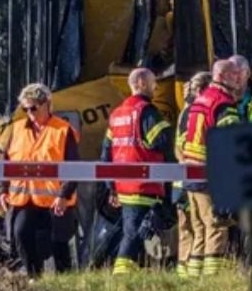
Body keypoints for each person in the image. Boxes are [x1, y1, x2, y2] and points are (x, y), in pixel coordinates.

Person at [1, 83, 80, 278]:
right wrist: (3, 190)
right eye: (25, 109)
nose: (29, 112)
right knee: (21, 234)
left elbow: (73, 168)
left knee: (58, 244)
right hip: (24, 199)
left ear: (47, 105)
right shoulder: (16, 129)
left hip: (55, 200)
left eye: (33, 108)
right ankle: (33, 277)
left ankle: (65, 282)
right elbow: (6, 163)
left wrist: (63, 195)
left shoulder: (63, 130)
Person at [101, 68, 174, 275]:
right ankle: (122, 274)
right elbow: (163, 141)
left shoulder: (117, 114)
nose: (156, 87)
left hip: (123, 186)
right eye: (153, 82)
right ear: (141, 83)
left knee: (136, 231)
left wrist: (111, 187)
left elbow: (106, 154)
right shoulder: (146, 112)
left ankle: (137, 271)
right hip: (144, 185)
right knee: (134, 234)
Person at [180, 59, 242, 275]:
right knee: (217, 226)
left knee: (199, 229)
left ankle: (193, 276)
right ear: (222, 76)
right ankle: (213, 277)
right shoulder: (223, 103)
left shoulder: (201, 100)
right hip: (210, 174)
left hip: (191, 173)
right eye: (234, 74)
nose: (238, 79)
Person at [174, 71, 213, 277]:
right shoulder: (199, 111)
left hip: (183, 180)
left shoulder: (185, 112)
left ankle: (186, 272)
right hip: (194, 179)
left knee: (189, 228)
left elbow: (178, 148)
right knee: (200, 227)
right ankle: (195, 271)